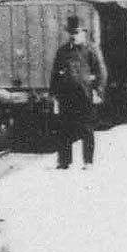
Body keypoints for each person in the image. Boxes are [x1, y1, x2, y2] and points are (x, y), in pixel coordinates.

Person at [49, 15, 108, 169]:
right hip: (66, 96)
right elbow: (55, 74)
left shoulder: (91, 49)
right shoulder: (62, 51)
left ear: (83, 33)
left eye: (77, 33)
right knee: (64, 129)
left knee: (87, 129)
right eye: (71, 33)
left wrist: (98, 92)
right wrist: (54, 95)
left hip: (85, 96)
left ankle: (88, 162)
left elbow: (101, 72)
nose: (74, 36)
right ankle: (64, 161)